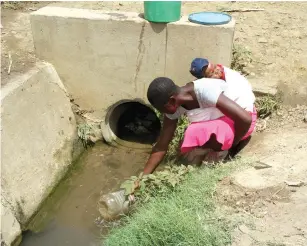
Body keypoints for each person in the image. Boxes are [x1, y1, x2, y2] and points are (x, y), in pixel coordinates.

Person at [143, 76, 257, 175]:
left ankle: (223, 152)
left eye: (163, 110)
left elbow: (245, 119)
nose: (164, 113)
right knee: (188, 145)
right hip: (221, 125)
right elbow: (162, 146)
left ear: (172, 101)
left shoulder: (205, 91)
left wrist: (233, 144)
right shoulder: (176, 103)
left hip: (243, 123)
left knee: (198, 132)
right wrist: (141, 178)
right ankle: (213, 151)